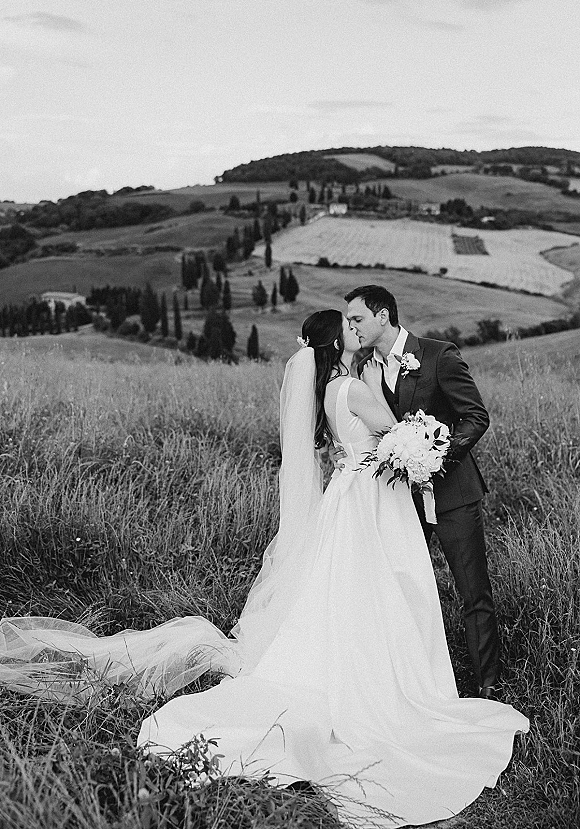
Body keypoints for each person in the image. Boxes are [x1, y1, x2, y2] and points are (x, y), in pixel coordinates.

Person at [0, 310, 527, 827]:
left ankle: (383, 664)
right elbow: (394, 436)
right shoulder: (353, 386)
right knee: (381, 588)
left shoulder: (334, 387)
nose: (356, 328)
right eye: (348, 325)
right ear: (335, 343)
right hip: (371, 497)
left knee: (357, 590)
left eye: (358, 319)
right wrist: (418, 442)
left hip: (359, 494)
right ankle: (389, 682)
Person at [344, 284, 498, 699]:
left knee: (472, 592)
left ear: (382, 315)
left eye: (357, 318)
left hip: (453, 494)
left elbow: (475, 416)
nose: (352, 327)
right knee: (402, 587)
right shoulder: (364, 370)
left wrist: (436, 456)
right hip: (401, 502)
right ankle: (411, 681)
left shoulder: (437, 354)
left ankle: (488, 684)